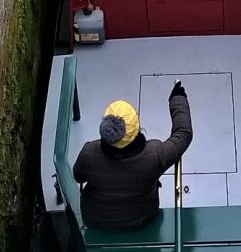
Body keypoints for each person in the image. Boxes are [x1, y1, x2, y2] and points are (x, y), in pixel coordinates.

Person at [73, 81, 193, 229]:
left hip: (95, 220)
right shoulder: (155, 155)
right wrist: (177, 98)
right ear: (136, 129)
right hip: (141, 219)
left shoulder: (89, 153)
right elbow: (183, 134)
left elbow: (78, 176)